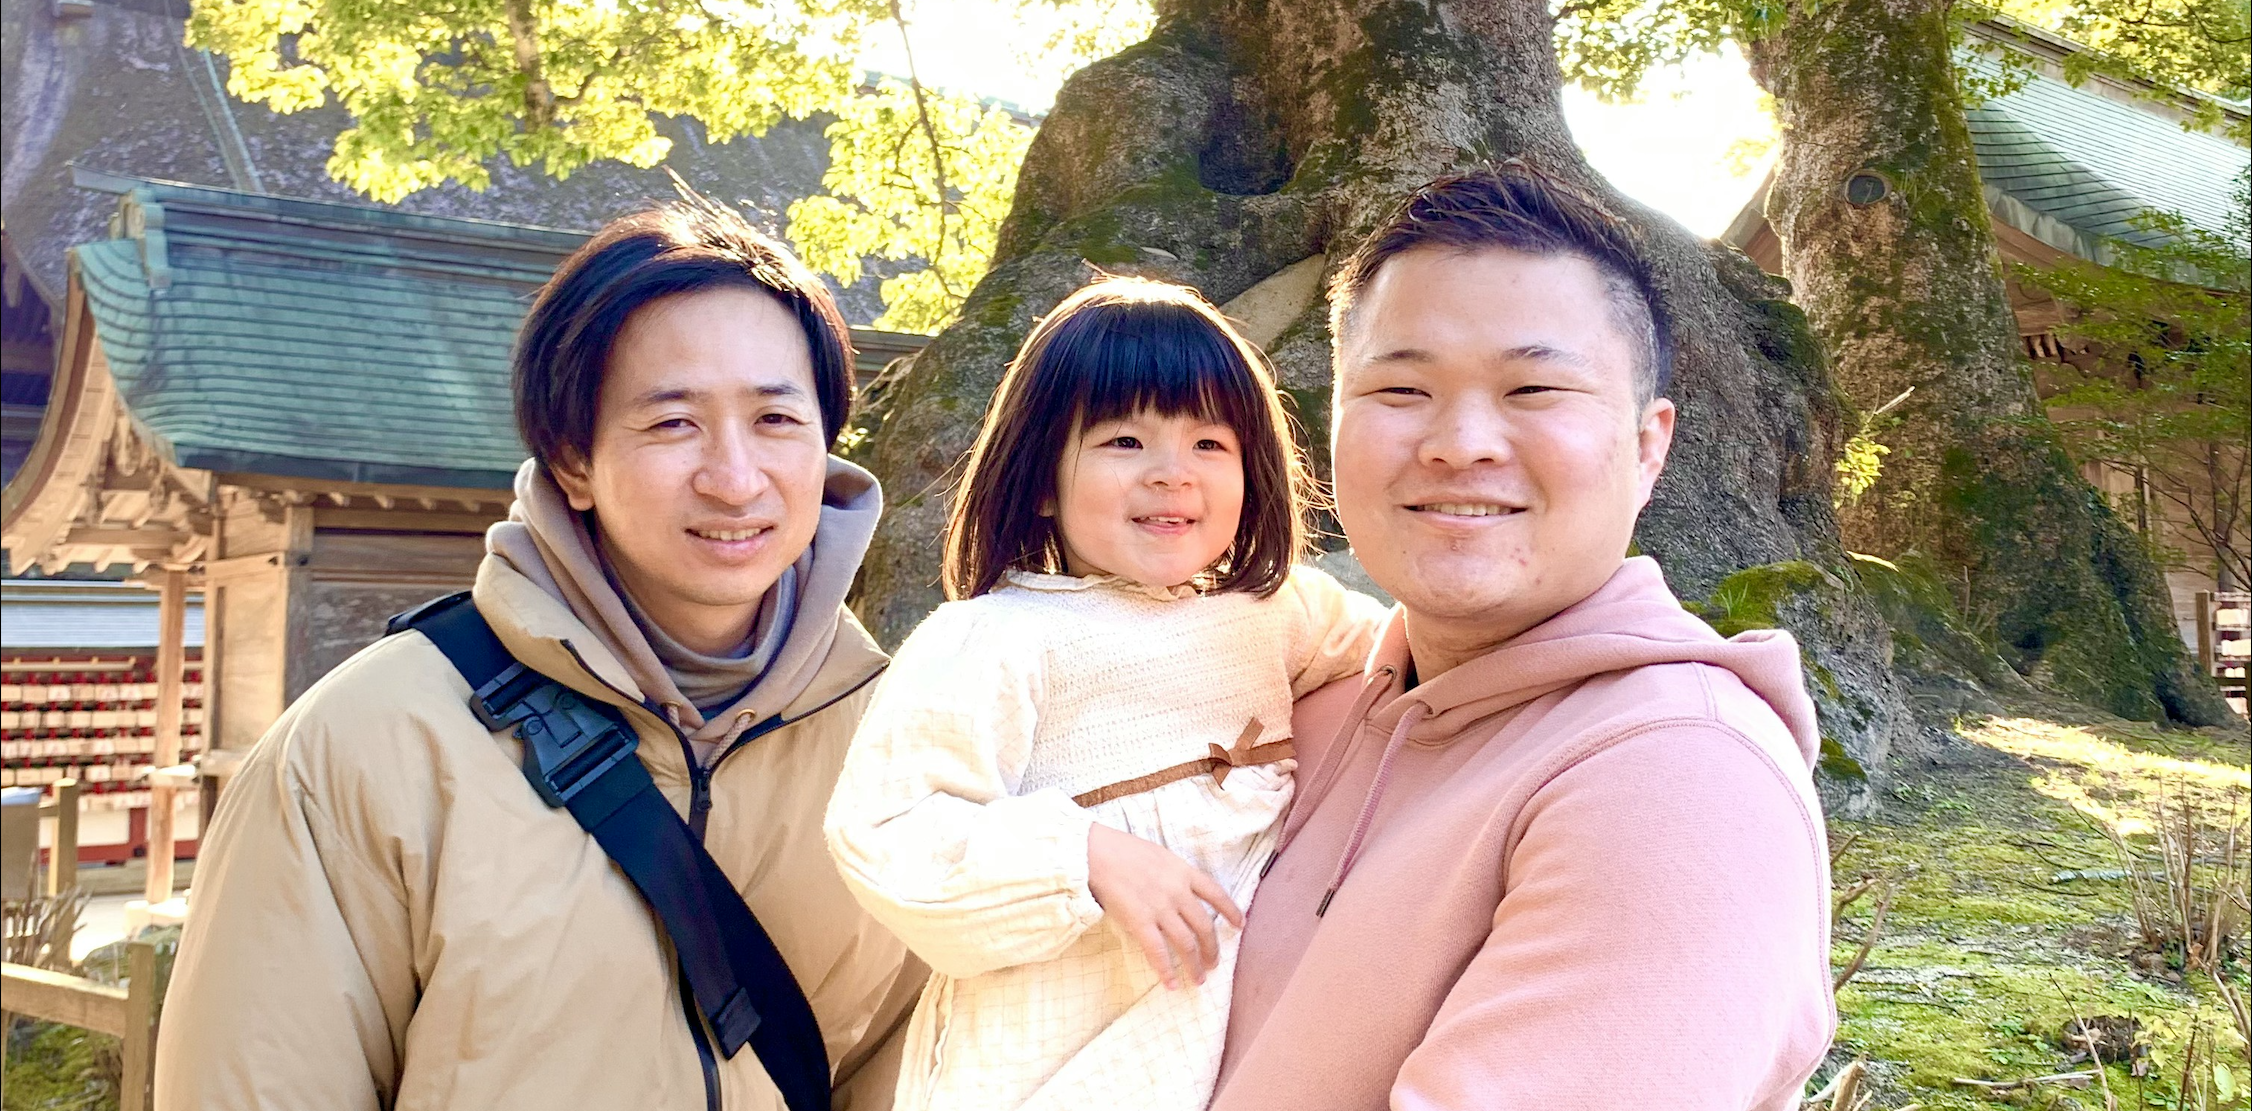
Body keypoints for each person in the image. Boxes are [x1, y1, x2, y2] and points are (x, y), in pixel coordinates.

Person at [156, 202, 923, 1111]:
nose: (735, 478)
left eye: (776, 419)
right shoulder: (363, 751)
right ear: (571, 462)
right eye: (673, 423)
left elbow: (924, 1066)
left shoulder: (903, 749)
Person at [1213, 166, 1837, 1110]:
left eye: (1534, 387)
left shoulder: (1678, 779)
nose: (1460, 442)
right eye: (1401, 388)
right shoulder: (1307, 703)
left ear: (1648, 446)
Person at [822, 280, 1383, 1111]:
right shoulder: (995, 638)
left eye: (1209, 442)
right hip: (1053, 1061)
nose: (1171, 474)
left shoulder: (1279, 611)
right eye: (1124, 440)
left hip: (1239, 1049)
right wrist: (1083, 854)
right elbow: (886, 829)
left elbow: (1415, 658)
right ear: (1042, 479)